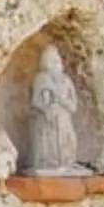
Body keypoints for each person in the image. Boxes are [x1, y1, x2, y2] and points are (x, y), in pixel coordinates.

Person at [27, 45, 81, 173]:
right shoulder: (41, 78)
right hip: (48, 120)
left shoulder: (66, 80)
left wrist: (62, 101)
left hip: (64, 118)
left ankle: (68, 162)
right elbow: (35, 101)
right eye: (51, 61)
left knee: (68, 140)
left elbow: (73, 105)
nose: (55, 65)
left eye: (57, 61)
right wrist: (47, 109)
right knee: (48, 142)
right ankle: (48, 164)